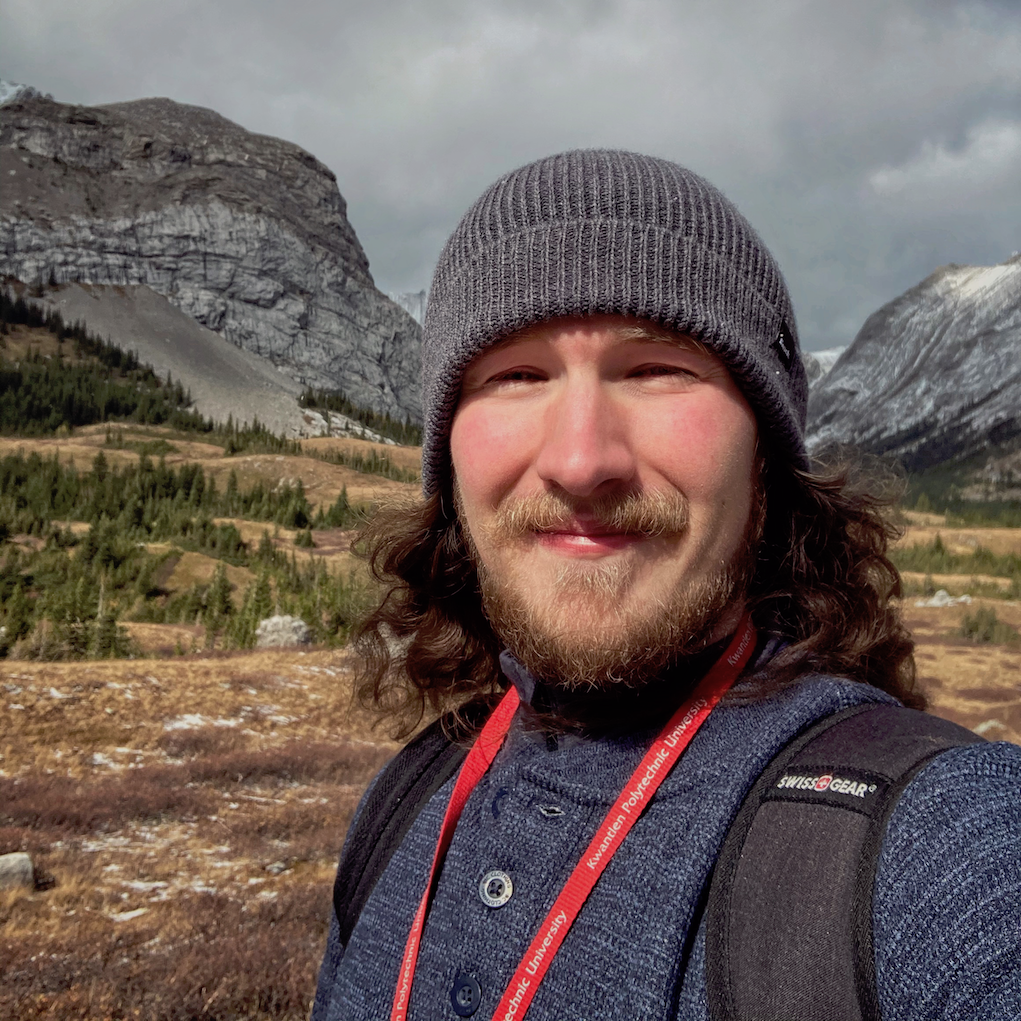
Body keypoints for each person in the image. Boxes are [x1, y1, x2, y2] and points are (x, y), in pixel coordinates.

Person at [312, 150, 1021, 1021]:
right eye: (514, 376)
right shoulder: (407, 802)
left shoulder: (936, 845)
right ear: (448, 455)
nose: (580, 460)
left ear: (764, 452)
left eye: (656, 370)